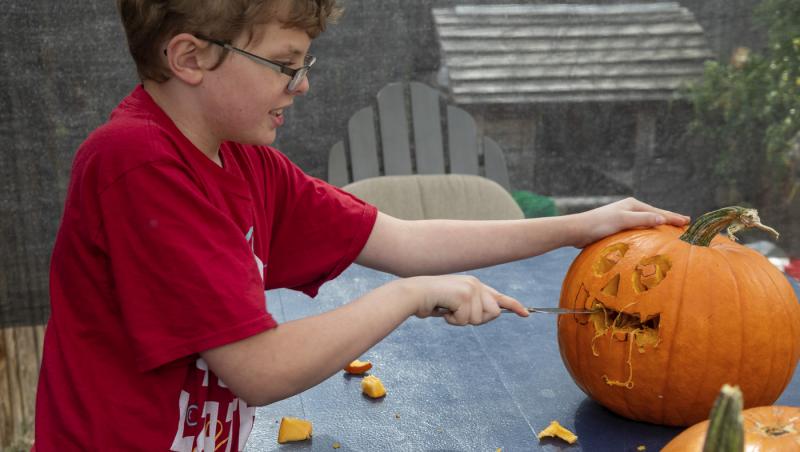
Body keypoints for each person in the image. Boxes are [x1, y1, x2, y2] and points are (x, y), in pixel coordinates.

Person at [33, 0, 690, 450]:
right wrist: (407, 297)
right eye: (286, 64)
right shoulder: (138, 166)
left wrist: (577, 226)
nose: (302, 85)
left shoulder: (245, 163)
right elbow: (257, 370)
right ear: (190, 57)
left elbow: (400, 239)